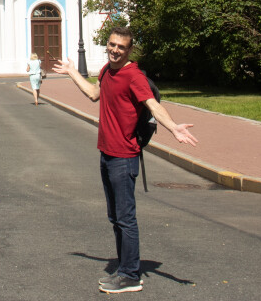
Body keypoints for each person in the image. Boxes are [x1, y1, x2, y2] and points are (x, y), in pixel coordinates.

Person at [53, 27, 198, 294]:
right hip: (107, 154)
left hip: (124, 157)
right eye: (111, 45)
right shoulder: (109, 70)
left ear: (130, 50)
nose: (115, 50)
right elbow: (93, 94)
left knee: (125, 218)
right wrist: (72, 71)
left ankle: (131, 275)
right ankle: (124, 269)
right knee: (115, 217)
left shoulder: (133, 76)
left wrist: (173, 127)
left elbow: (153, 105)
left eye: (121, 47)